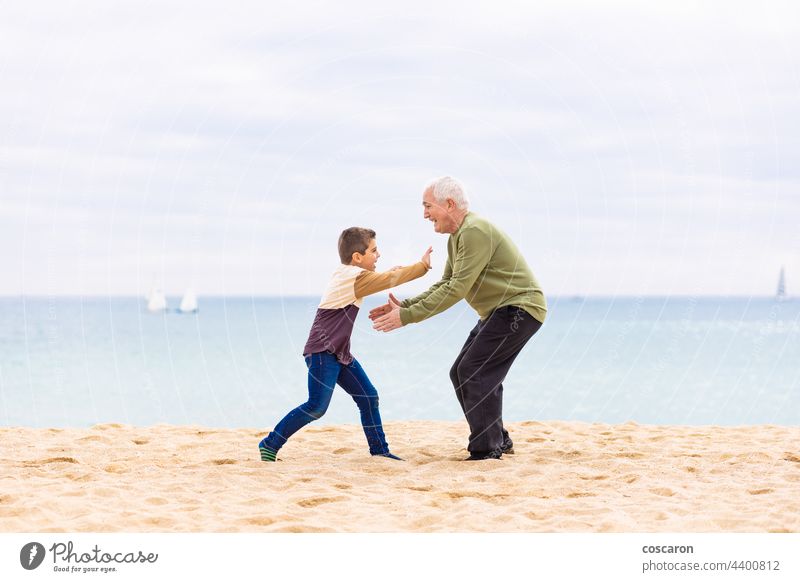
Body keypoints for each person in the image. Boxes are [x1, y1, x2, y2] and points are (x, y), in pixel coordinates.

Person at [370, 177, 546, 460]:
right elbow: (447, 282)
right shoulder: (459, 236)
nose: (425, 214)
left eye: (428, 206)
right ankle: (498, 439)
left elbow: (456, 289)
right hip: (500, 312)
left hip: (519, 309)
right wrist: (406, 305)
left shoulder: (475, 231)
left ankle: (486, 449)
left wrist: (407, 316)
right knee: (463, 372)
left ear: (449, 204)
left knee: (474, 372)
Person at [259, 227, 432, 462]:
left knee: (368, 397)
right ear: (357, 257)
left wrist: (397, 271)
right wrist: (421, 267)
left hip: (339, 352)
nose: (378, 254)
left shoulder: (349, 275)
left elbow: (385, 276)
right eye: (374, 250)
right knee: (316, 407)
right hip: (322, 351)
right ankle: (269, 444)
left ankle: (380, 451)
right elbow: (389, 279)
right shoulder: (353, 278)